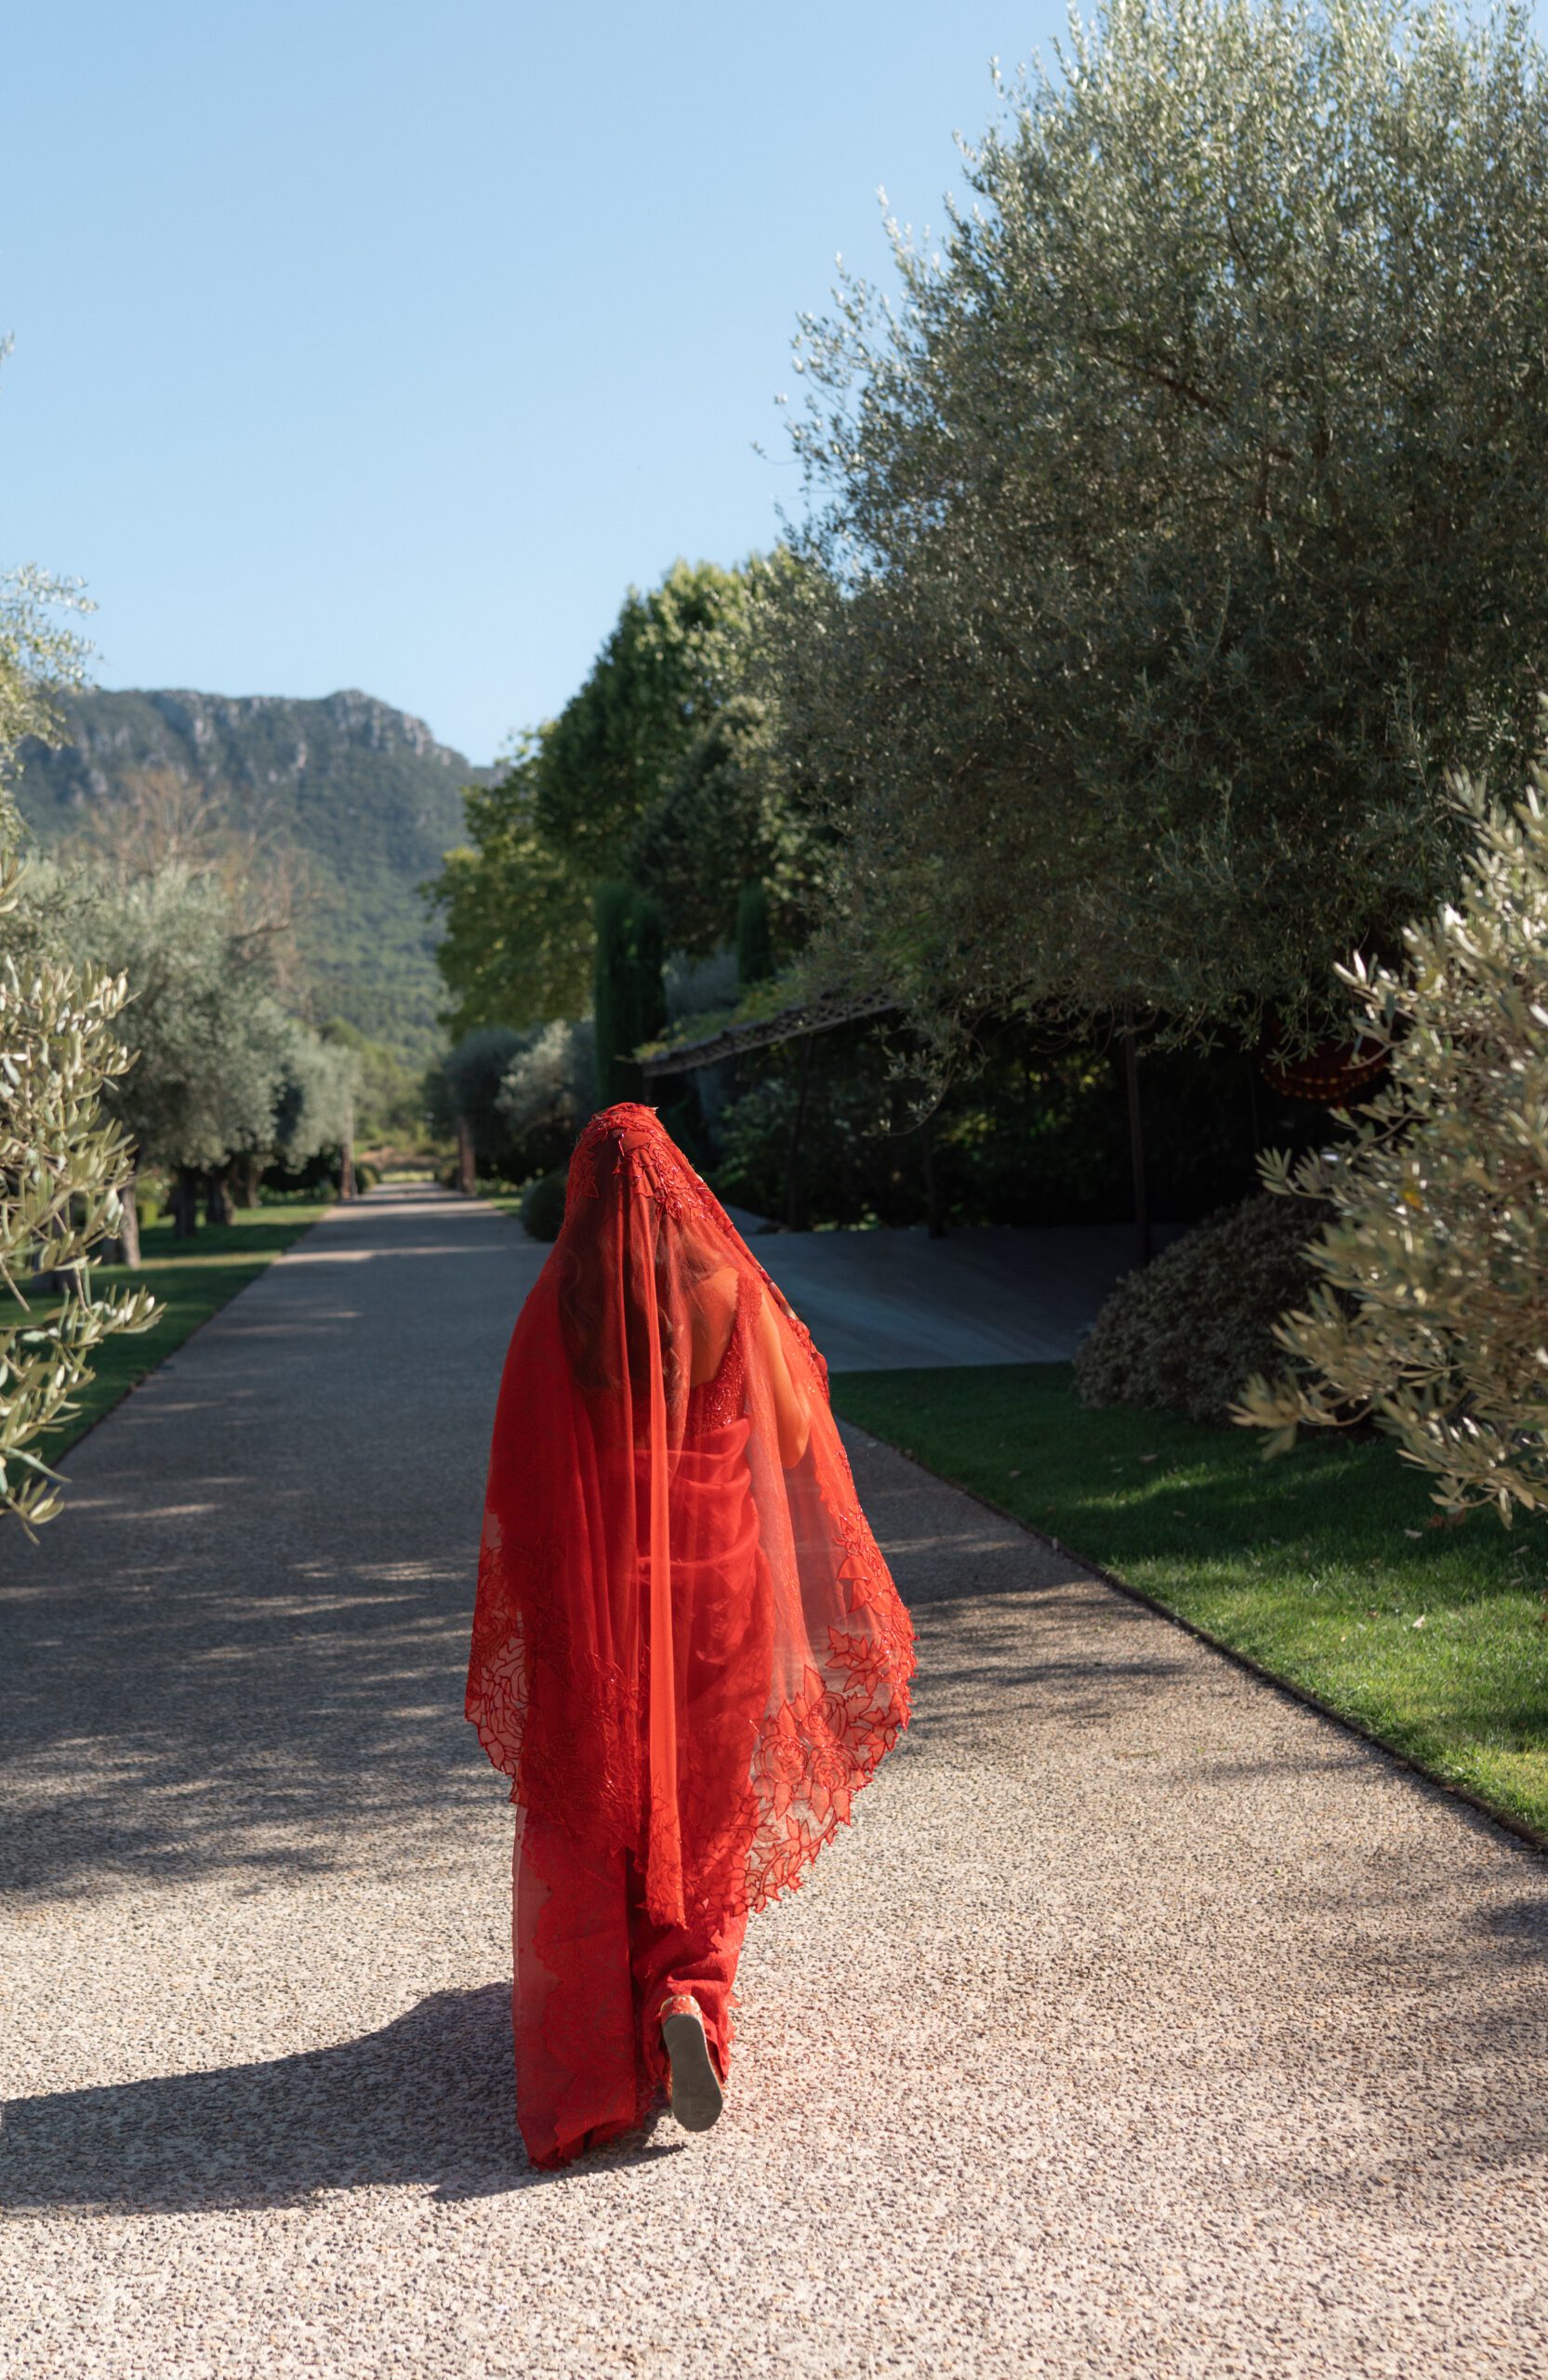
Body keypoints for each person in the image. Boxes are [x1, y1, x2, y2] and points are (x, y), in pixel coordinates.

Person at [466, 1103, 915, 2168]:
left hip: (600, 1601)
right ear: (677, 1186)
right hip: (715, 1593)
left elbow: (524, 1479)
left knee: (601, 1803)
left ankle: (598, 2057)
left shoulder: (560, 1305)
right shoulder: (727, 1293)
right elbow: (798, 1437)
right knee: (704, 1807)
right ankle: (687, 2000)